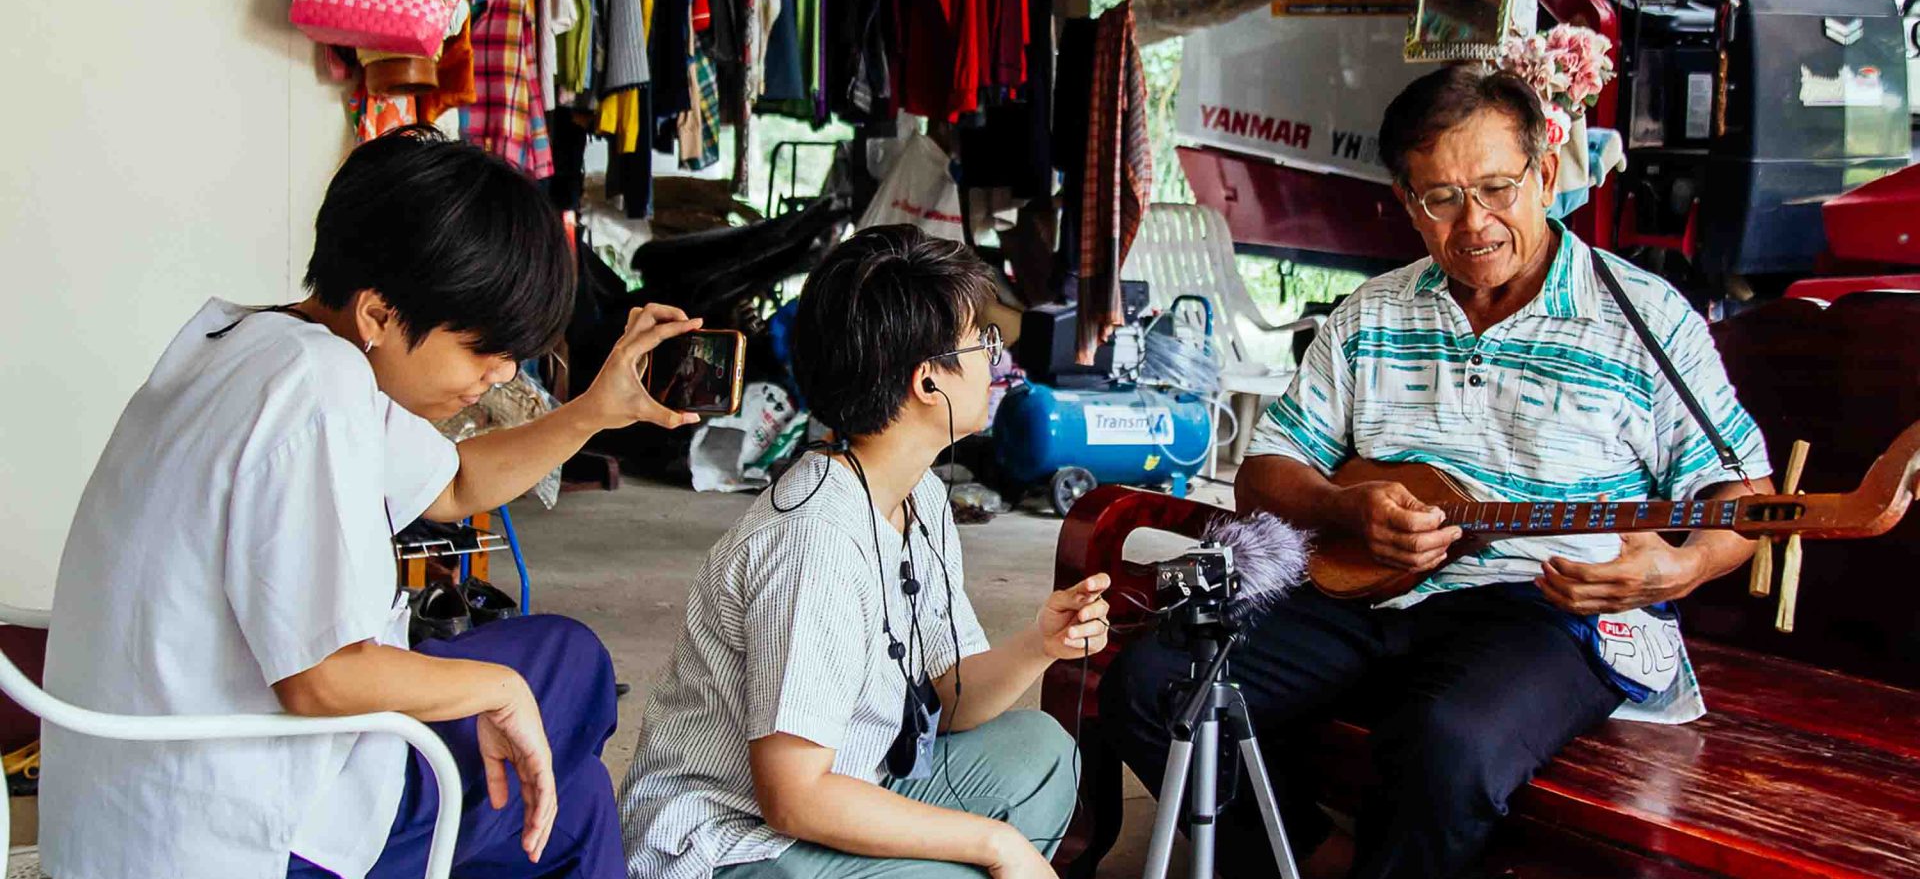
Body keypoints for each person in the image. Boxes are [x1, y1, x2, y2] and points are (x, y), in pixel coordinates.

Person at [1100, 65, 1777, 879]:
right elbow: (1266, 472)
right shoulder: (1373, 313)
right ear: (1405, 201)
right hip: (1370, 587)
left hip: (1549, 608)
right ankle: (1300, 861)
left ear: (1547, 175)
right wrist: (1349, 510)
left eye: (1497, 188)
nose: (1475, 223)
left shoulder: (1644, 317)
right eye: (1441, 198)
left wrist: (1679, 566)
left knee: (1446, 746)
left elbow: (1747, 496)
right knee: (1151, 684)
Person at [39, 129, 702, 879]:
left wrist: (594, 410)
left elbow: (452, 486)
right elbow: (320, 679)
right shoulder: (314, 393)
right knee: (567, 758)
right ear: (381, 314)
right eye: (483, 346)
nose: (501, 373)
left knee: (568, 692)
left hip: (146, 786)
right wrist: (499, 688)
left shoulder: (255, 341)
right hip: (232, 824)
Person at [620, 226, 1110, 879]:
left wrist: (1038, 645)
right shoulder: (812, 545)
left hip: (848, 783)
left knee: (1044, 753)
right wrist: (995, 844)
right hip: (732, 846)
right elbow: (793, 798)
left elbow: (951, 693)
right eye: (982, 342)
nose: (996, 361)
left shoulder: (923, 496)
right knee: (971, 867)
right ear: (926, 382)